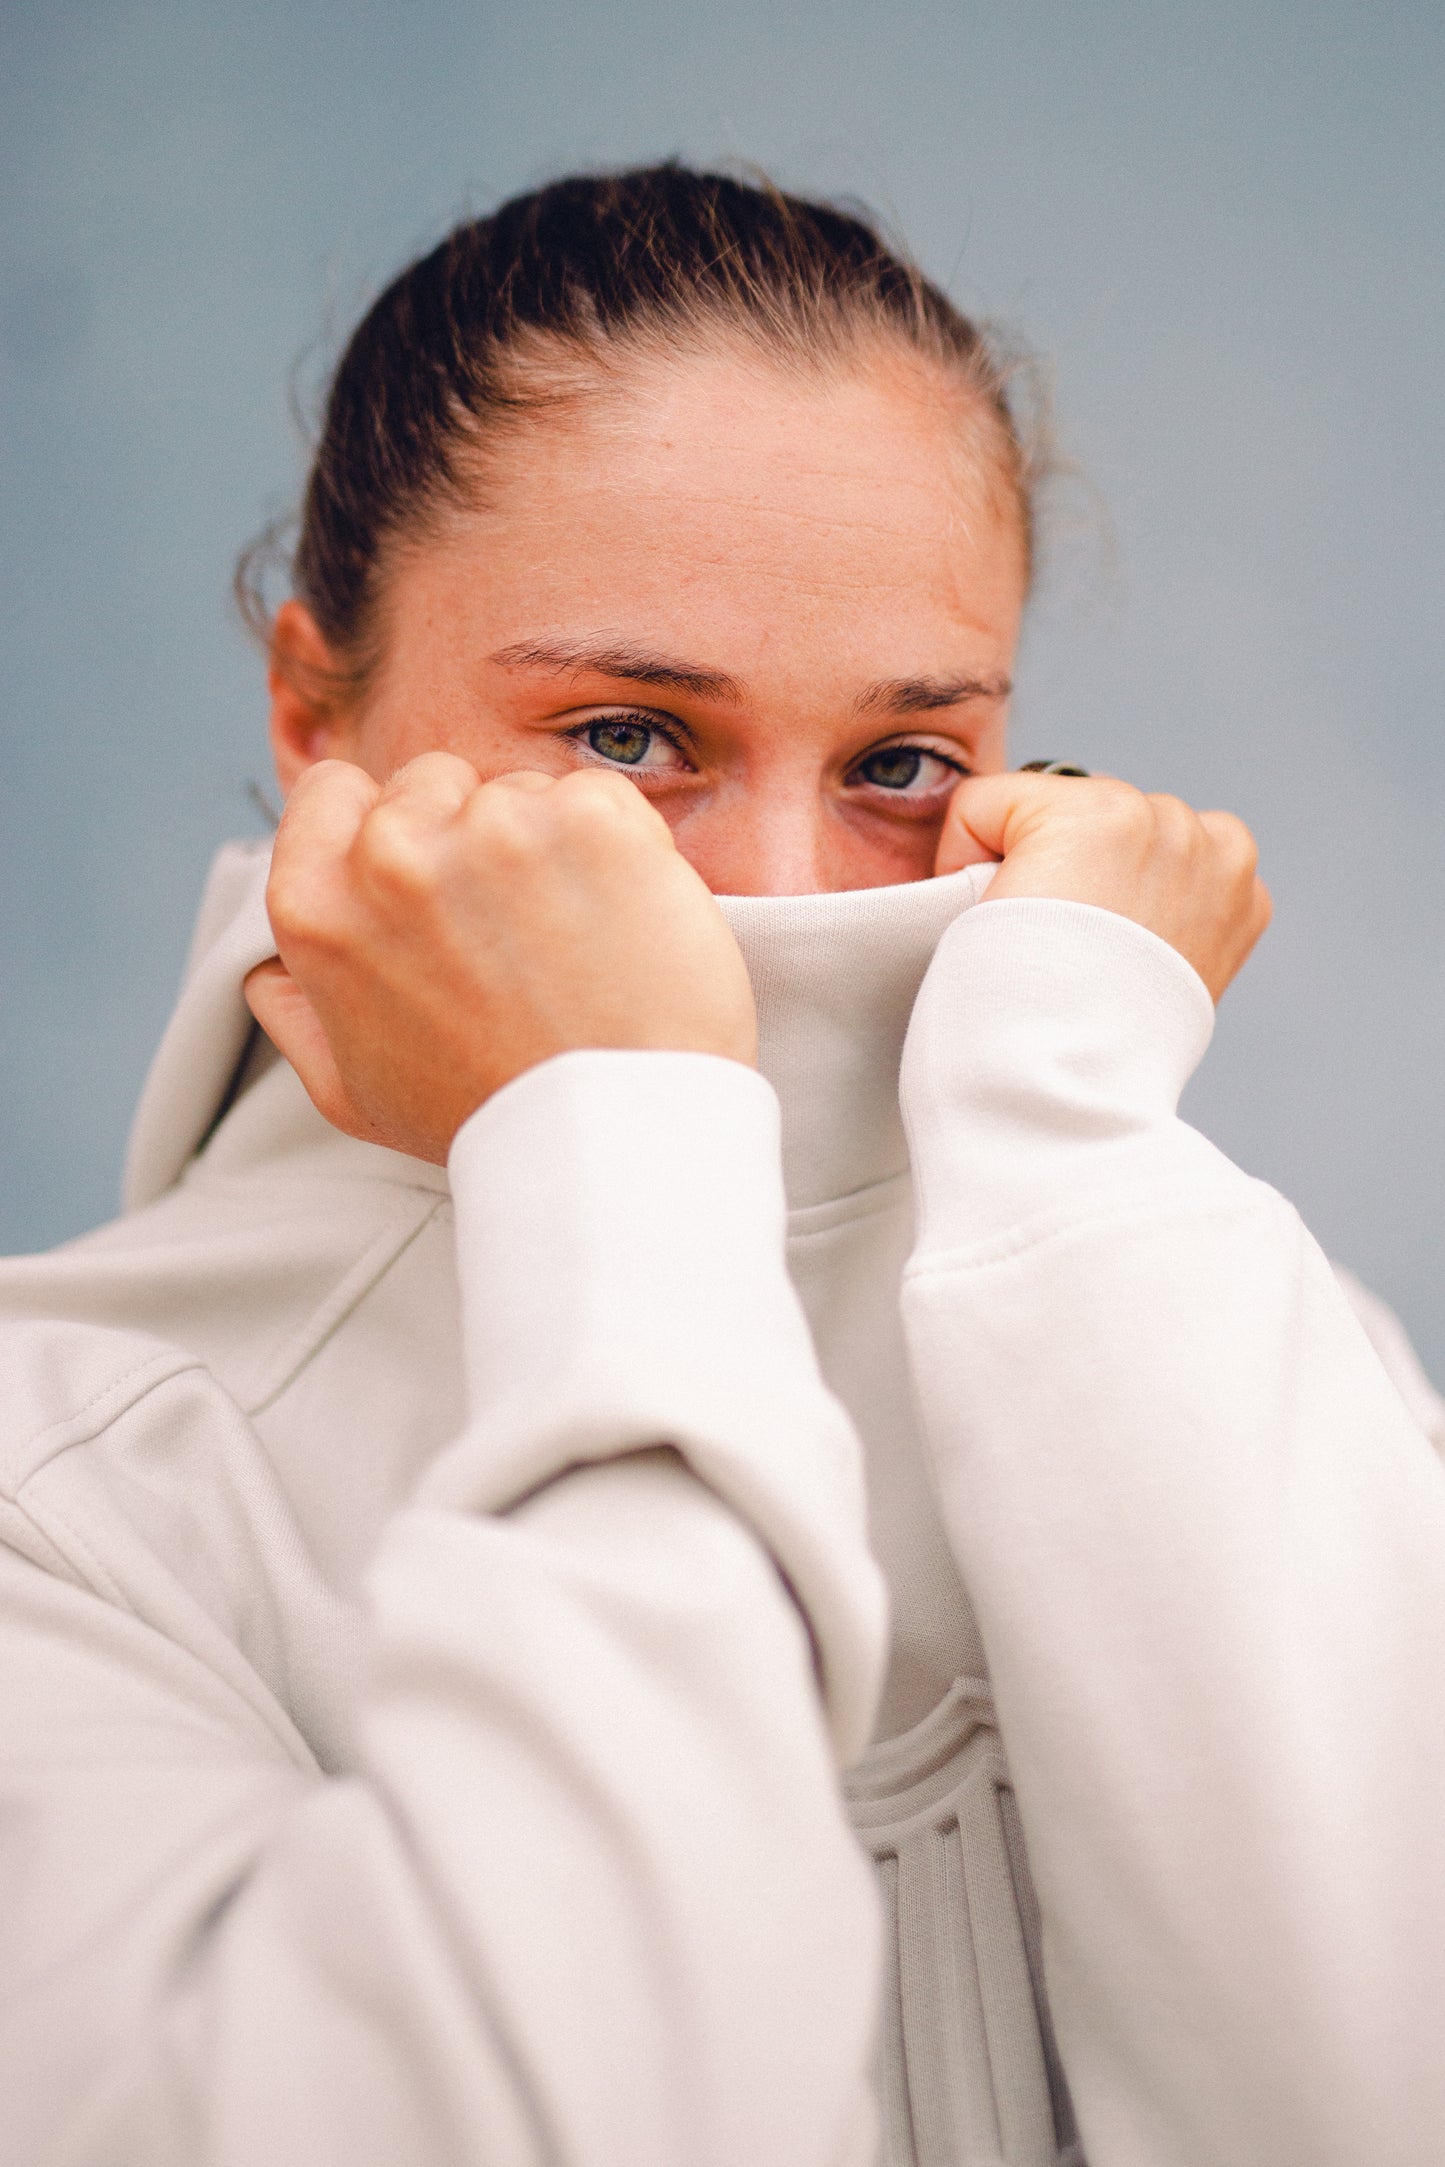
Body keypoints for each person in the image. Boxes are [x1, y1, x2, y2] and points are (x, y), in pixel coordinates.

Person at [2, 165, 1443, 2167]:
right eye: (623, 737)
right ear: (313, 716)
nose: (766, 897)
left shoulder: (1196, 1284)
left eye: (899, 767)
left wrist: (1081, 1147)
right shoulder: (60, 1487)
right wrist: (604, 1128)